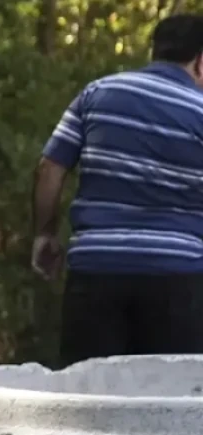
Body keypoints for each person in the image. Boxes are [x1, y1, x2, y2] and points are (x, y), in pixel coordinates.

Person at [32, 14, 203, 366]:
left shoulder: (97, 92)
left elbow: (51, 167)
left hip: (96, 269)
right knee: (167, 403)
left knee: (87, 396)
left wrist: (45, 234)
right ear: (201, 61)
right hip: (176, 276)